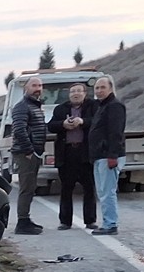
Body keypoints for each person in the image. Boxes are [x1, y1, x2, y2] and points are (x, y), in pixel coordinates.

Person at [47, 82, 97, 230]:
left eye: (79, 91)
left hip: (85, 153)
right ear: (69, 95)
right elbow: (50, 126)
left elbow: (98, 122)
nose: (75, 94)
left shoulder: (92, 106)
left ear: (84, 93)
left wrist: (82, 122)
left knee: (89, 188)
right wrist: (63, 124)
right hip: (67, 153)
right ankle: (65, 221)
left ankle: (90, 220)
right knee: (66, 189)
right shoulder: (60, 108)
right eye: (72, 92)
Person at [89, 75, 127, 235]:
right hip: (99, 155)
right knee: (102, 192)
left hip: (108, 156)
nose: (99, 91)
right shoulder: (102, 106)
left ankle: (110, 224)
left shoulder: (115, 106)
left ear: (110, 88)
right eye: (97, 88)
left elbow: (116, 132)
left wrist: (112, 155)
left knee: (107, 192)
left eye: (102, 87)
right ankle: (107, 221)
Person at [9, 76, 46, 234]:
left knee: (30, 188)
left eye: (39, 85)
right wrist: (29, 150)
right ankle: (22, 223)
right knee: (26, 188)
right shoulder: (22, 106)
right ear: (26, 88)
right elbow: (19, 130)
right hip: (26, 153)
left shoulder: (35, 106)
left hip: (34, 152)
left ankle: (26, 218)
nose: (37, 88)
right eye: (34, 85)